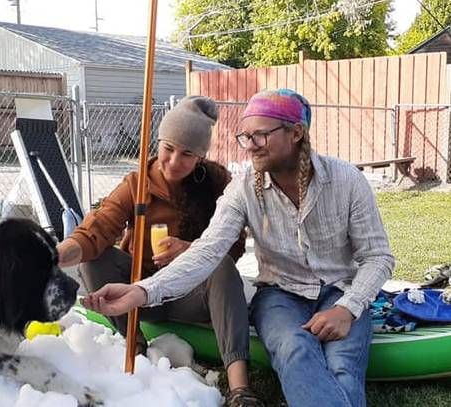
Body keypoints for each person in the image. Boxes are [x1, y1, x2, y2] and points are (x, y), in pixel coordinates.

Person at [81, 89, 395, 407]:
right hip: (279, 295)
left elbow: (378, 257)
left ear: (296, 132)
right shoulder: (243, 190)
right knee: (294, 348)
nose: (250, 145)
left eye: (260, 135)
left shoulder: (346, 180)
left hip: (341, 290)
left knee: (344, 365)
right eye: (245, 136)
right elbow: (207, 252)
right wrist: (142, 292)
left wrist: (348, 307)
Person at [58, 96, 264, 407]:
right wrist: (53, 255)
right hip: (136, 294)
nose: (173, 161)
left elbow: (234, 245)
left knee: (220, 265)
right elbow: (96, 230)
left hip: (190, 296)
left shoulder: (217, 181)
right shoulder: (137, 182)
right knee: (96, 256)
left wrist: (191, 250)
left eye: (187, 154)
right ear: (159, 142)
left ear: (200, 157)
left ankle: (239, 387)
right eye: (168, 148)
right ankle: (137, 348)